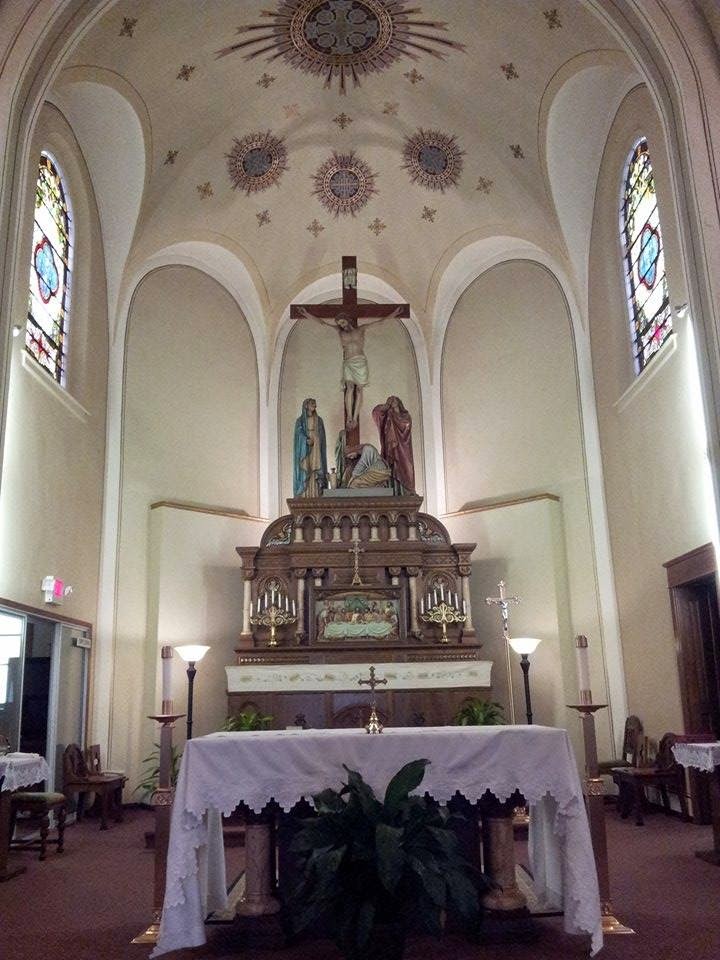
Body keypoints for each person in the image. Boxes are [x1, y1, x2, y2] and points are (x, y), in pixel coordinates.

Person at [372, 396, 415, 494]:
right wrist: (386, 406)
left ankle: (407, 489)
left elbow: (406, 425)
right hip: (390, 446)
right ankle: (395, 489)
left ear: (399, 402)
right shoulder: (388, 414)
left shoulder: (405, 415)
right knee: (391, 466)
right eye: (390, 401)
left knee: (406, 466)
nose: (392, 402)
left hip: (403, 446)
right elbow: (376, 412)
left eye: (394, 400)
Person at [293, 397, 327, 497]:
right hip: (305, 448)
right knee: (306, 466)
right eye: (312, 404)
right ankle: (304, 492)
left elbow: (322, 434)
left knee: (316, 467)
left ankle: (316, 491)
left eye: (315, 404)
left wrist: (317, 440)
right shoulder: (300, 421)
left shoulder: (319, 420)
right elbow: (298, 434)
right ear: (306, 405)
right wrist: (305, 440)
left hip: (316, 447)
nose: (314, 406)